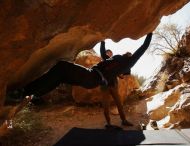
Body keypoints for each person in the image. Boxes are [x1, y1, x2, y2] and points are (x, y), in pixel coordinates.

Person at [5, 33, 153, 124]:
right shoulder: (113, 59)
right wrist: (103, 39)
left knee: (62, 66)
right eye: (127, 53)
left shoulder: (127, 63)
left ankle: (23, 92)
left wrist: (149, 32)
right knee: (60, 76)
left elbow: (143, 48)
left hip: (93, 78)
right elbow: (103, 53)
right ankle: (36, 95)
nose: (128, 53)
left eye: (130, 54)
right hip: (91, 75)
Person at [99, 41, 133, 127]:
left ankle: (124, 120)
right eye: (108, 53)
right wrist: (102, 42)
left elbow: (121, 75)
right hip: (105, 87)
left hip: (114, 86)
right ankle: (109, 123)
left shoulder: (117, 63)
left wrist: (121, 74)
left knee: (119, 104)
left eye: (110, 53)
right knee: (106, 106)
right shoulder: (106, 61)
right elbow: (102, 52)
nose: (109, 54)